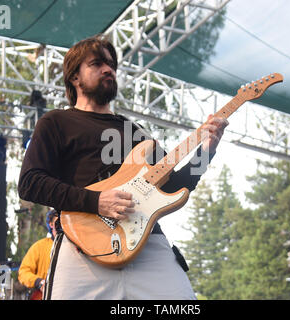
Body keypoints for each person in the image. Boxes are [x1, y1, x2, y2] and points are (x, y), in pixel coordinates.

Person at [18, 35, 228, 300]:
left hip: (149, 246)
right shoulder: (56, 122)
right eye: (97, 63)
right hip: (83, 246)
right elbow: (30, 183)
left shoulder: (136, 132)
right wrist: (96, 201)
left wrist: (207, 150)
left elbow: (175, 186)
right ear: (74, 77)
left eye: (112, 65)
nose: (109, 70)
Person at [18, 209, 58, 299]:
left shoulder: (73, 247)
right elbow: (23, 272)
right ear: (51, 224)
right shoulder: (39, 246)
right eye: (58, 221)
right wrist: (38, 282)